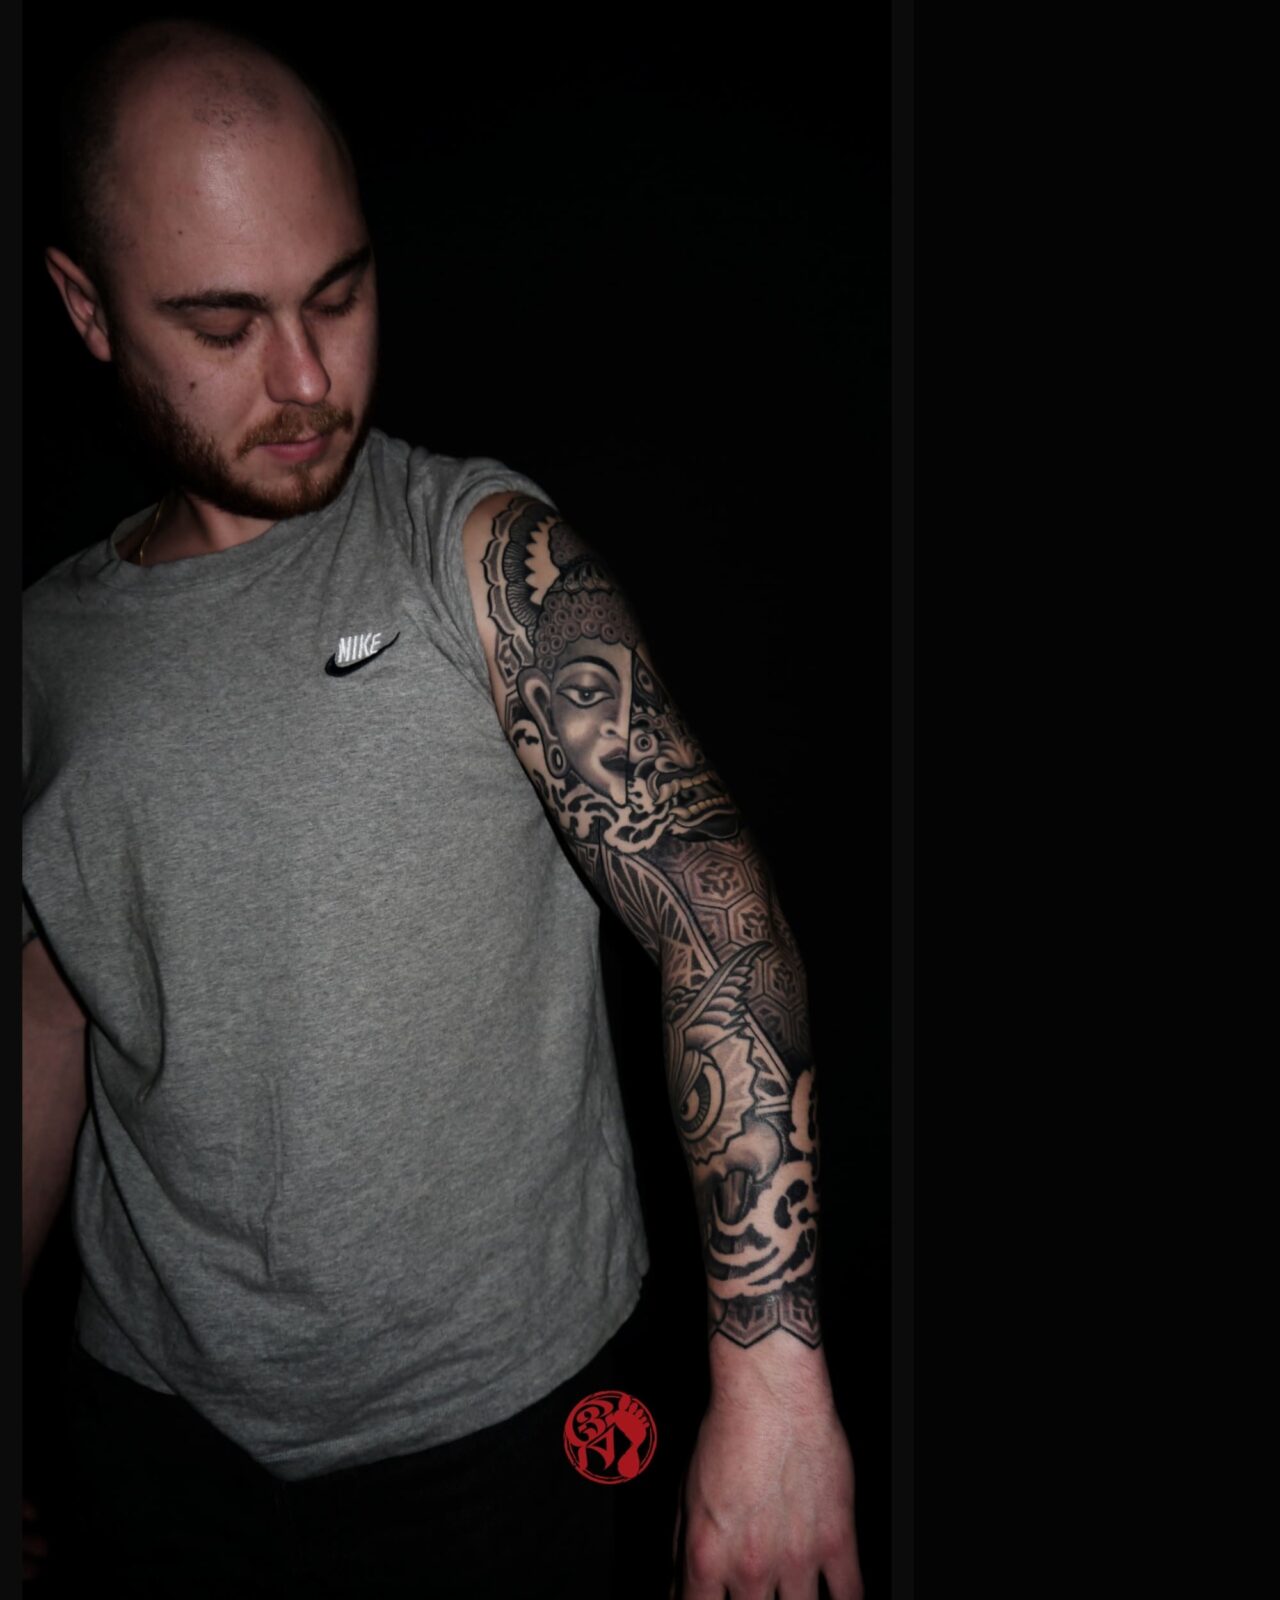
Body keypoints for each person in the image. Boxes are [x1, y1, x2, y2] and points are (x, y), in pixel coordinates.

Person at [22, 18, 864, 1598]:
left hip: (517, 1429)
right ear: (87, 309)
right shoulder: (44, 652)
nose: (305, 378)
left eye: (339, 295)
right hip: (151, 1424)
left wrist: (773, 1387)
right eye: (224, 322)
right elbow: (50, 1023)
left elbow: (720, 922)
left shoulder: (476, 553)